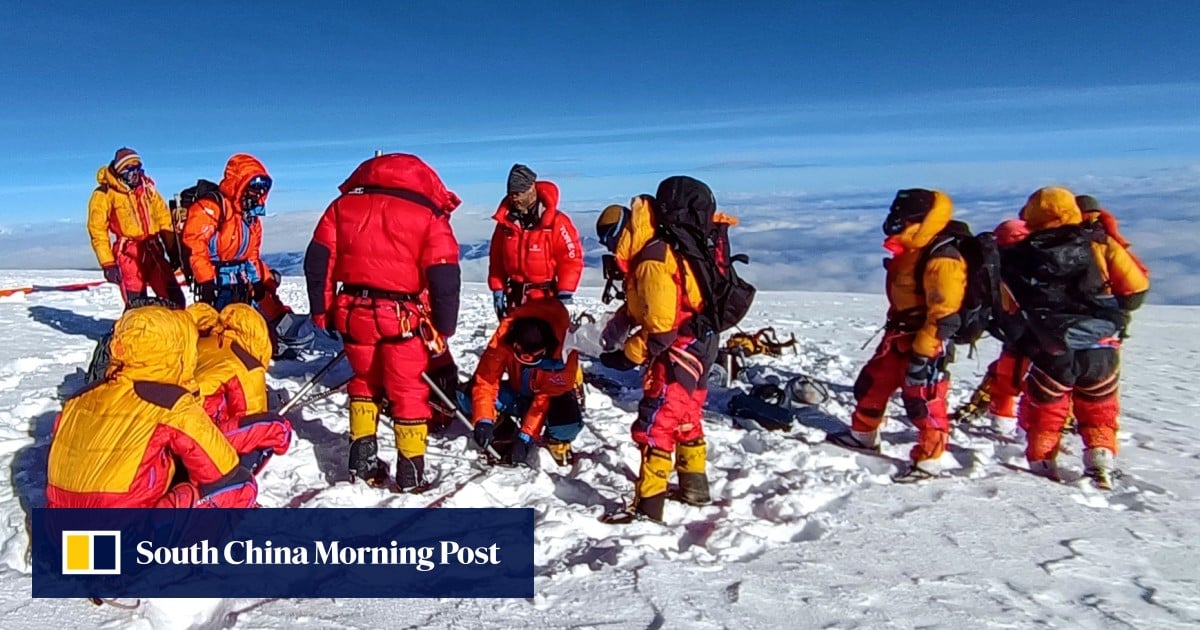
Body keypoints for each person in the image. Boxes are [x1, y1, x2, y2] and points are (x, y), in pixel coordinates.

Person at [304, 153, 462, 491]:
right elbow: (445, 274)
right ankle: (411, 472)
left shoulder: (341, 206)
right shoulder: (428, 214)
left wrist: (322, 310)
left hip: (352, 312)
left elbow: (318, 261)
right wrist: (444, 327)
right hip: (401, 318)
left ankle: (362, 461)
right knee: (407, 391)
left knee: (364, 380)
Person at [595, 178, 724, 523]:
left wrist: (628, 356)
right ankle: (694, 486)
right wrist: (619, 324)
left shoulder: (651, 260)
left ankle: (648, 505)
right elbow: (648, 307)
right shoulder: (652, 251)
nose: (611, 249)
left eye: (611, 240)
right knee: (685, 417)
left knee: (656, 422)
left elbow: (662, 329)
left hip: (680, 349)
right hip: (699, 343)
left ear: (623, 232)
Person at [1002, 187, 1149, 486]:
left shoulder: (1019, 255)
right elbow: (1135, 291)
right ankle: (1100, 459)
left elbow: (1009, 308)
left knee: (1047, 408)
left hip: (1051, 348)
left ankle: (1042, 463)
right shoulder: (1099, 243)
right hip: (1101, 346)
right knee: (1099, 407)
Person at [46, 306, 258, 508]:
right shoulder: (171, 401)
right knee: (240, 485)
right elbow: (219, 468)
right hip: (125, 532)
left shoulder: (77, 399)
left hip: (60, 528)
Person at [838, 189, 968, 481]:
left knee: (923, 399)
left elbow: (944, 312)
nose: (895, 223)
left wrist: (925, 350)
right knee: (872, 384)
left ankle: (930, 459)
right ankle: (863, 435)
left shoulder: (942, 258)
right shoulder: (914, 250)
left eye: (902, 218)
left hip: (926, 340)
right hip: (899, 335)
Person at [469, 299, 584, 467]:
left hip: (549, 402)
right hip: (517, 394)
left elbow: (544, 399)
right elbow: (486, 381)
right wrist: (483, 419)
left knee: (567, 421)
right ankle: (501, 427)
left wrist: (525, 437)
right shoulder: (503, 340)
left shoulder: (564, 350)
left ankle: (555, 441)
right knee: (468, 397)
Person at [192, 303, 293, 473]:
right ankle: (237, 478)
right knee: (272, 430)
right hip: (201, 437)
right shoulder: (247, 365)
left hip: (175, 424)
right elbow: (249, 417)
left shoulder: (203, 342)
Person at [954, 219, 1031, 432]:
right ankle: (1034, 426)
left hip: (1012, 330)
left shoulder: (996, 264)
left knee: (1005, 374)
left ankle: (1000, 415)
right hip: (1044, 332)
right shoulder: (1038, 260)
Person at [87, 147, 185, 307]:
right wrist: (107, 263)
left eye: (137, 168)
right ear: (120, 171)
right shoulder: (105, 194)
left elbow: (163, 219)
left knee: (175, 300)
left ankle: (175, 330)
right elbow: (97, 230)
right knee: (136, 304)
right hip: (128, 255)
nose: (135, 173)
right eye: (129, 169)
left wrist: (172, 249)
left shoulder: (148, 189)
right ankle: (134, 329)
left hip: (153, 251)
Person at [487, 164, 583, 320]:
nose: (514, 198)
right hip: (515, 299)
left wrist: (565, 292)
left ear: (531, 188)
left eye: (519, 193)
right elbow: (496, 258)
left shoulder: (557, 222)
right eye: (511, 194)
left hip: (546, 299)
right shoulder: (505, 224)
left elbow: (570, 258)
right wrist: (498, 288)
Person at [181, 153, 274, 310]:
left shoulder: (251, 218)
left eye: (264, 186)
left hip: (240, 281)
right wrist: (206, 280)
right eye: (255, 185)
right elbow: (195, 243)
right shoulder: (213, 207)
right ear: (239, 183)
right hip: (215, 280)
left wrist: (256, 280)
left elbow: (251, 255)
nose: (259, 191)